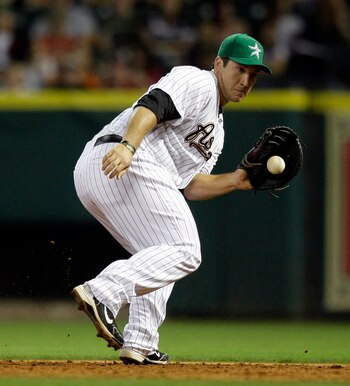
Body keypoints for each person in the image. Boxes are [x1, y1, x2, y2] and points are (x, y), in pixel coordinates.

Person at [72, 32, 272, 365]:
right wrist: (129, 146)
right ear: (219, 64)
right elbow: (153, 105)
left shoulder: (217, 132)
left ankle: (140, 342)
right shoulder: (198, 82)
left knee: (161, 253)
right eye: (240, 69)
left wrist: (239, 180)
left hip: (113, 170)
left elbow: (188, 185)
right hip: (121, 156)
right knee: (186, 251)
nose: (246, 80)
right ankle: (102, 292)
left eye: (253, 75)